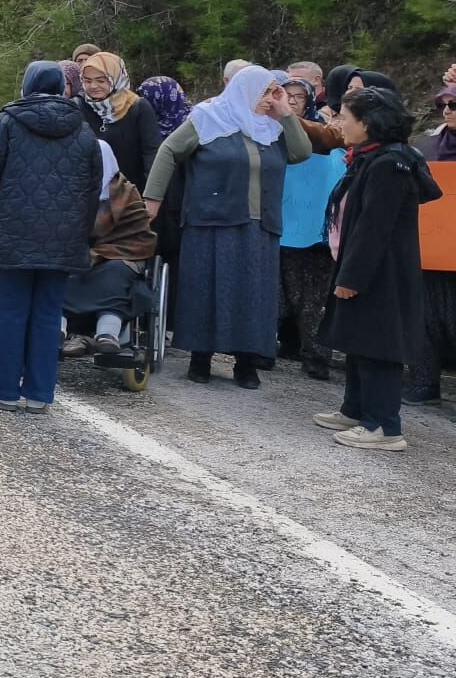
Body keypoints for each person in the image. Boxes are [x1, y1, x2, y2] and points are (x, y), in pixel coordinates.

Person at [144, 65, 312, 388]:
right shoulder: (209, 117)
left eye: (273, 92)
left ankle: (246, 362)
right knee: (208, 288)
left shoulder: (272, 127)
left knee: (254, 294)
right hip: (211, 220)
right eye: (266, 92)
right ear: (245, 90)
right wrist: (153, 198)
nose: (270, 99)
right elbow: (169, 151)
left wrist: (286, 113)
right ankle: (201, 358)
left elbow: (301, 152)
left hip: (260, 224)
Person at [0, 63, 102, 410]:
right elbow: (92, 190)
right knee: (49, 315)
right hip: (64, 238)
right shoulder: (83, 131)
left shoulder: (7, 124)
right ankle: (39, 394)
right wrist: (82, 233)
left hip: (15, 231)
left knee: (14, 312)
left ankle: (3, 390)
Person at [312, 87, 443, 451]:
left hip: (379, 273)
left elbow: (375, 228)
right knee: (357, 340)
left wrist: (351, 278)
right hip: (363, 266)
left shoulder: (389, 164)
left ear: (367, 124)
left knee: (378, 346)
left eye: (345, 118)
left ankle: (384, 427)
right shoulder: (371, 157)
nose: (339, 123)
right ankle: (355, 410)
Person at [60, 141, 158, 359]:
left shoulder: (126, 192)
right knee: (65, 268)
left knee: (114, 273)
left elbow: (137, 231)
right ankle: (57, 330)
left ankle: (107, 334)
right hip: (80, 251)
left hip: (122, 250)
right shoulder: (68, 187)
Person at [277, 76, 345, 381]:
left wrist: (288, 119)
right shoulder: (267, 129)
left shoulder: (325, 131)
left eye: (297, 97)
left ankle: (316, 355)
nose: (291, 101)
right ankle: (278, 345)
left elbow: (330, 143)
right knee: (283, 290)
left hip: (316, 227)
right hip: (283, 223)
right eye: (285, 95)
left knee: (314, 298)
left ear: (309, 100)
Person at [76, 52, 159, 191]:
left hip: (132, 191)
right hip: (90, 193)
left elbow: (151, 152)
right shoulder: (78, 106)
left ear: (115, 79)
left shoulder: (137, 107)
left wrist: (151, 194)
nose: (93, 86)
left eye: (101, 81)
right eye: (87, 81)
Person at [138, 76, 191, 143]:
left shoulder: (193, 123)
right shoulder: (146, 123)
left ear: (163, 97)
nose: (143, 102)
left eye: (146, 97)